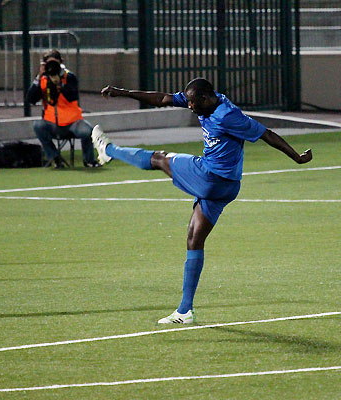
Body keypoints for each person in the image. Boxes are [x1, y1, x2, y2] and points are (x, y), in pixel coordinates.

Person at [93, 77, 312, 323]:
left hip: (211, 178)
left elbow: (266, 134)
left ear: (205, 99)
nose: (189, 107)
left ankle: (108, 150)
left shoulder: (228, 115)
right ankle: (185, 311)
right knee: (194, 239)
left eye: (192, 103)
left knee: (159, 159)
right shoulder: (202, 100)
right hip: (227, 187)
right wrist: (123, 92)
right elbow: (162, 98)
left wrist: (296, 157)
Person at [26, 49, 100, 169]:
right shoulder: (42, 80)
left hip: (73, 123)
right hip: (52, 123)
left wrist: (60, 84)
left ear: (61, 62)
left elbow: (73, 96)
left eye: (55, 63)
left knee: (87, 131)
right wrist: (38, 77)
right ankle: (55, 159)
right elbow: (31, 99)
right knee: (38, 126)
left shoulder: (69, 77)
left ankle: (89, 160)